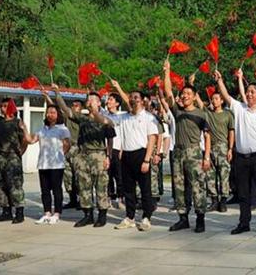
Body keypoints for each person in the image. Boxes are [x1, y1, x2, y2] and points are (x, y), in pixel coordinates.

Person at [214, 69, 256, 236]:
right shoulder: (239, 109)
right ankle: (244, 222)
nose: (249, 94)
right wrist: (220, 81)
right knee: (243, 192)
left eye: (252, 92)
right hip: (241, 158)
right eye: (247, 92)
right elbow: (226, 96)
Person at [163, 60, 212, 233]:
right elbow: (168, 92)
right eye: (183, 93)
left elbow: (207, 136)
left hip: (194, 152)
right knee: (179, 186)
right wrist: (167, 71)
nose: (184, 96)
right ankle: (183, 218)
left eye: (188, 93)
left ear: (194, 96)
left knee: (198, 185)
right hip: (178, 152)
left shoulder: (201, 114)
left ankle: (200, 218)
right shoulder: (177, 111)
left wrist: (206, 157)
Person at [56, 86, 115, 227]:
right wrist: (57, 94)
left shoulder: (105, 119)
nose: (90, 102)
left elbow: (110, 139)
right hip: (83, 155)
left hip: (99, 154)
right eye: (88, 100)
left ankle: (102, 215)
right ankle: (88, 215)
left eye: (93, 100)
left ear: (99, 103)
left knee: (101, 186)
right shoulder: (82, 118)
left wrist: (109, 157)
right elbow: (66, 110)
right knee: (84, 186)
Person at [113, 90, 159, 231]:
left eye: (136, 97)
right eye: (131, 97)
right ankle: (130, 217)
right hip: (126, 155)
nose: (133, 100)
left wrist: (147, 160)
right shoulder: (123, 117)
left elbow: (152, 138)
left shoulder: (148, 117)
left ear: (142, 100)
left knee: (145, 189)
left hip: (141, 154)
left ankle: (146, 217)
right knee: (128, 189)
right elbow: (109, 124)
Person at [22, 105, 71, 225]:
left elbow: (67, 144)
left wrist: (59, 155)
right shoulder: (42, 129)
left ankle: (57, 213)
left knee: (56, 190)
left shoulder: (62, 129)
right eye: (48, 113)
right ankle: (47, 213)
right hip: (43, 164)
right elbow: (31, 140)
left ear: (58, 115)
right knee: (44, 191)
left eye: (53, 112)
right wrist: (24, 129)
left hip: (56, 165)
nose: (50, 115)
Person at [0, 98, 26, 223]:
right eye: (1, 106)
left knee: (15, 184)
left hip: (12, 157)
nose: (2, 108)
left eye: (5, 106)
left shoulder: (18, 122)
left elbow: (25, 140)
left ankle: (19, 212)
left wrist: (20, 153)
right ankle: (6, 211)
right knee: (0, 184)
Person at [204, 92, 235, 213]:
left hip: (223, 147)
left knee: (224, 175)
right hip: (210, 147)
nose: (214, 101)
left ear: (222, 101)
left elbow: (231, 132)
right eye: (212, 99)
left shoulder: (228, 115)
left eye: (216, 98)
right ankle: (214, 200)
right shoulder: (209, 114)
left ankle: (223, 201)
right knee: (210, 176)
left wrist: (230, 148)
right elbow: (201, 105)